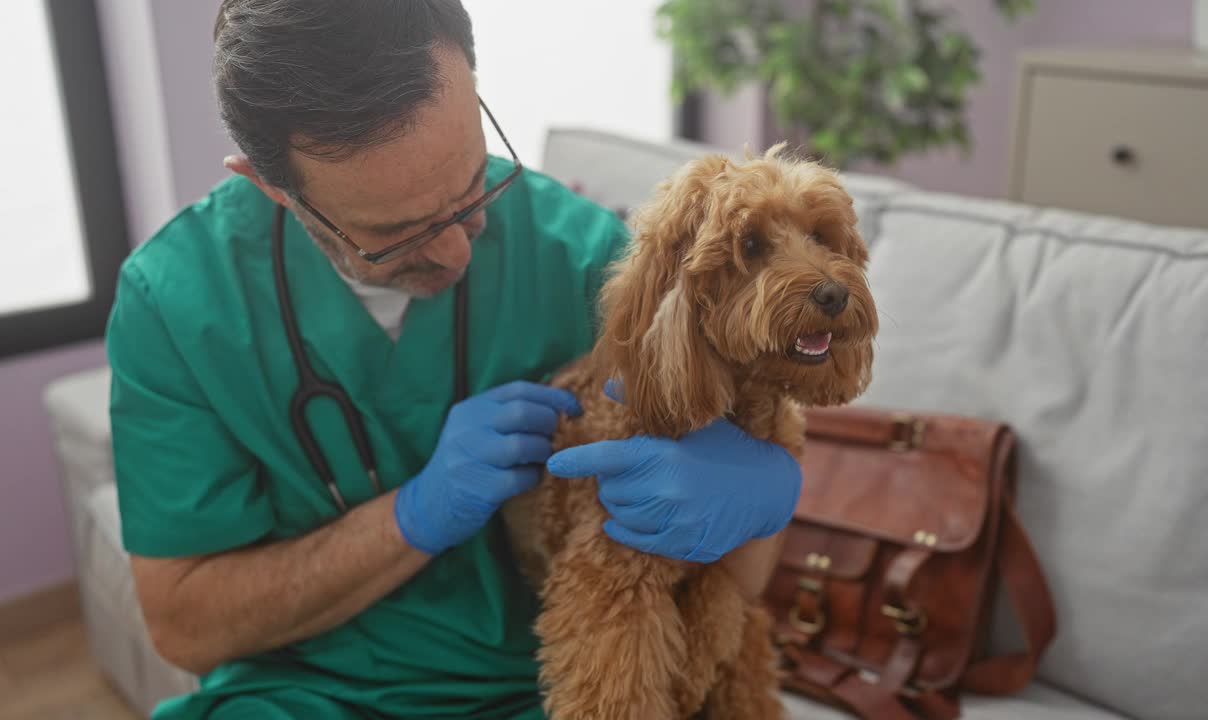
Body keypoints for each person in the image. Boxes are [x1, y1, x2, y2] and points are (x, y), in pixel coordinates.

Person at [104, 2, 803, 718]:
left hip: (553, 687)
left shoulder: (593, 261)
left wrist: (764, 499)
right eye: (396, 234)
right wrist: (413, 514)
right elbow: (184, 626)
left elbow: (728, 588)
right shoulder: (176, 304)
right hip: (305, 695)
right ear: (271, 186)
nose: (456, 250)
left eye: (474, 189)